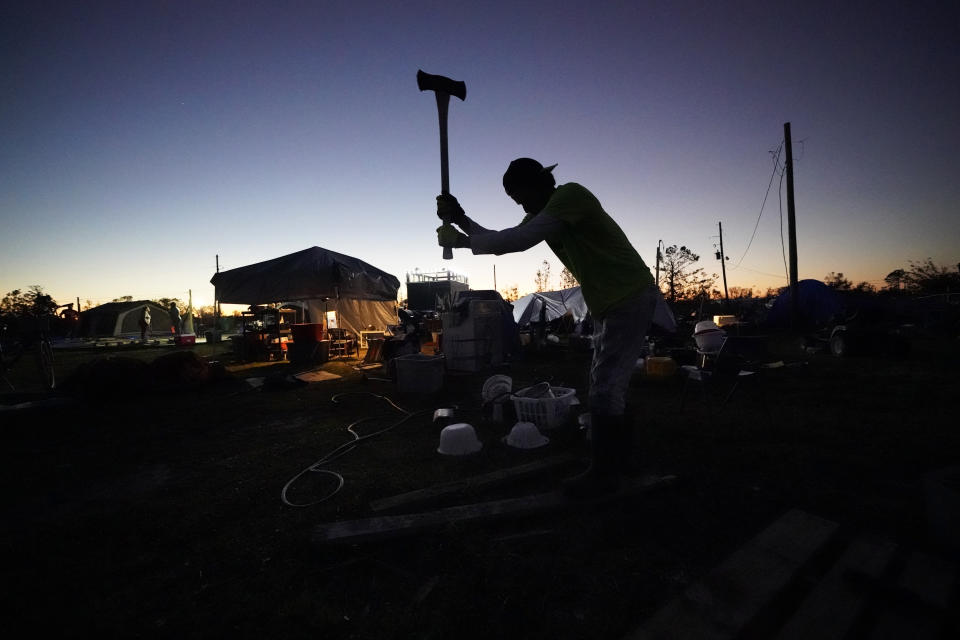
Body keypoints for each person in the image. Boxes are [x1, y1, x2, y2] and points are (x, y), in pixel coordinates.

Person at [436, 158, 659, 497]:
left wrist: (461, 241)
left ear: (539, 184)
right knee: (605, 385)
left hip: (627, 295)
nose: (522, 205)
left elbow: (520, 240)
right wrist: (462, 219)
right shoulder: (547, 213)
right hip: (612, 300)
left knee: (604, 389)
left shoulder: (571, 196)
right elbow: (504, 238)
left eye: (520, 196)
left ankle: (606, 474)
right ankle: (618, 464)